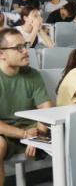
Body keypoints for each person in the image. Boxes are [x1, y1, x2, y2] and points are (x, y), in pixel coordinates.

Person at [0, 28, 53, 185]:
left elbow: (47, 110)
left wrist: (37, 138)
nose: (25, 51)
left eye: (25, 45)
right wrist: (24, 134)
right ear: (2, 54)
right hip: (7, 134)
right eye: (18, 48)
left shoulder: (33, 74)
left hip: (34, 130)